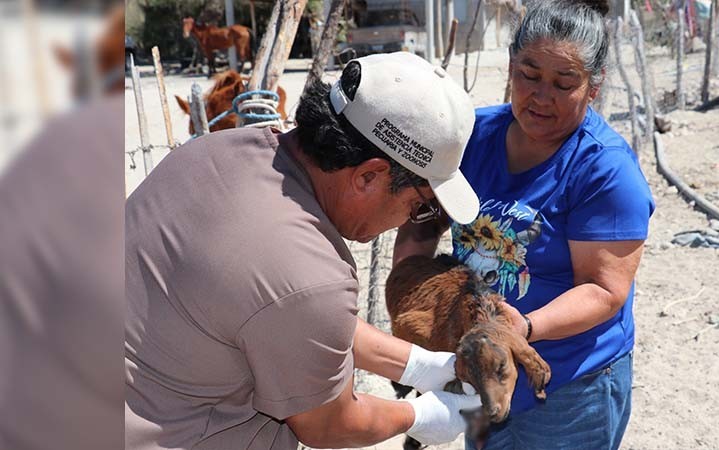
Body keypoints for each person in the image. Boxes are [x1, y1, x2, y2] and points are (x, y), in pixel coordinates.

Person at [125, 52, 483, 450]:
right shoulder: (311, 273)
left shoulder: (215, 153)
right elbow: (330, 423)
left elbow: (282, 318)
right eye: (420, 205)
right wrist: (424, 416)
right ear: (369, 176)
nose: (409, 219)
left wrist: (417, 365)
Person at [393, 1, 655, 449]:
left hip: (570, 387)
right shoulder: (475, 136)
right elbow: (423, 221)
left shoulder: (605, 171)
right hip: (478, 363)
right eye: (529, 74)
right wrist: (410, 293)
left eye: (564, 83)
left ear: (593, 87)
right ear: (511, 65)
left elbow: (605, 290)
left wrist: (524, 329)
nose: (541, 95)